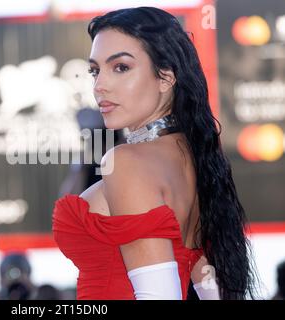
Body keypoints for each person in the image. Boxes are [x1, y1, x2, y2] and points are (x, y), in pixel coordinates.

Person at [52, 7, 258, 300]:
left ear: (165, 77)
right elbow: (212, 290)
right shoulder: (195, 156)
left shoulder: (127, 162)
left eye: (121, 67)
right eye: (94, 71)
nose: (100, 86)